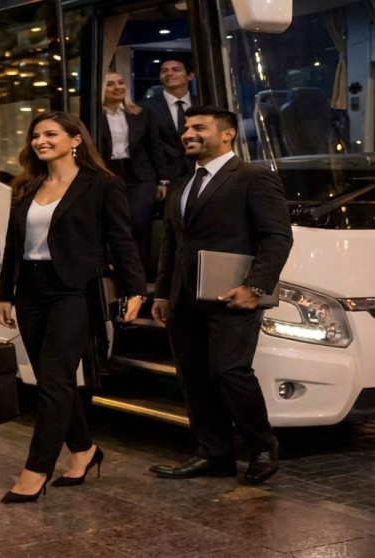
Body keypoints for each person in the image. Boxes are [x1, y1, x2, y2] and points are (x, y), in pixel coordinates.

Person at [0, 112, 146, 503]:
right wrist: (4, 293)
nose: (40, 141)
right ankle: (83, 450)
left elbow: (122, 240)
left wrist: (135, 290)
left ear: (76, 139)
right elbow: (13, 243)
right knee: (52, 379)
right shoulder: (27, 184)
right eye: (35, 135)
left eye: (50, 134)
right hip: (30, 290)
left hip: (75, 291)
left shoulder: (103, 184)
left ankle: (36, 469)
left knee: (55, 377)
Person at [149, 105, 292, 484]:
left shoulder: (253, 178)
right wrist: (161, 294)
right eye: (186, 128)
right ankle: (214, 453)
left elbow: (277, 238)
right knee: (194, 377)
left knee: (229, 371)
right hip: (183, 299)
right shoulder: (181, 185)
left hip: (233, 296)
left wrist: (256, 287)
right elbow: (171, 246)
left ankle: (263, 446)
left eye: (199, 127)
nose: (188, 134)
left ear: (228, 134)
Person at [98, 70, 165, 277]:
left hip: (141, 176)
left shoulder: (140, 113)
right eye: (110, 84)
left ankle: (138, 275)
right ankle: (114, 276)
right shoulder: (93, 116)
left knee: (139, 223)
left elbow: (154, 146)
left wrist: (163, 180)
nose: (118, 87)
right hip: (108, 173)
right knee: (114, 224)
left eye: (120, 82)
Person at [141, 56, 198, 197]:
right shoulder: (145, 107)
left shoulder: (202, 103)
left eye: (176, 70)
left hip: (200, 172)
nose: (169, 74)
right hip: (164, 180)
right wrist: (161, 179)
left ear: (190, 76)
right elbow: (149, 146)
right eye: (164, 71)